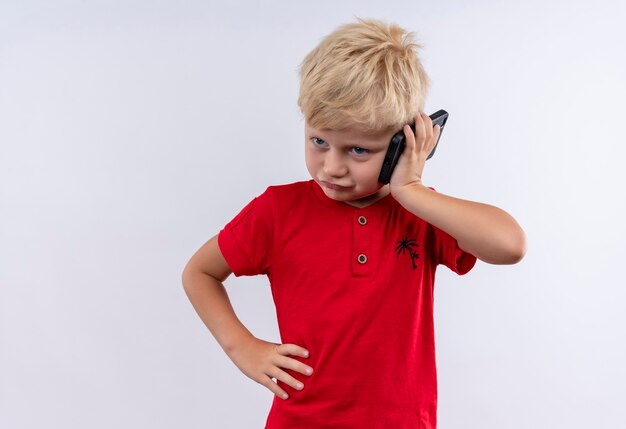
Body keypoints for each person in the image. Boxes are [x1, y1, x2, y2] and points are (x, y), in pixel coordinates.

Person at [182, 17, 527, 429]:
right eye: (319, 141)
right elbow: (199, 272)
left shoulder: (419, 213)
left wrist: (411, 189)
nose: (332, 167)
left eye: (359, 150)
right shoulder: (277, 210)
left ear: (406, 142)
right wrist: (242, 347)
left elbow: (510, 245)